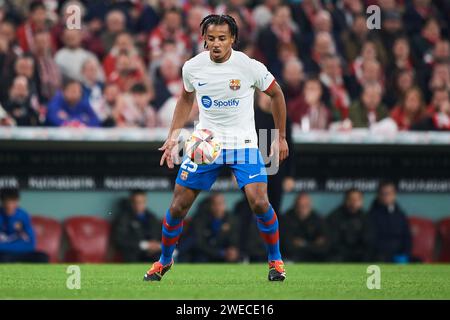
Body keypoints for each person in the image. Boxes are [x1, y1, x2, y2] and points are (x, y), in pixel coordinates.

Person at [144, 14, 289, 282]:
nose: (216, 44)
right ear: (204, 39)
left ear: (232, 38)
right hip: (206, 143)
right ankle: (164, 261)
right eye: (210, 39)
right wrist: (173, 134)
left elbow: (276, 94)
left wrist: (279, 137)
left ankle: (275, 260)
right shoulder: (192, 67)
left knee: (259, 202)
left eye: (222, 38)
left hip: (243, 143)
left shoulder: (248, 66)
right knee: (177, 207)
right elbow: (186, 99)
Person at [368, 181, 412, 263]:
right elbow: (371, 240)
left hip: (399, 256)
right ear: (378, 195)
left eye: (389, 193)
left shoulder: (400, 214)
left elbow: (407, 237)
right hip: (379, 257)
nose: (386, 196)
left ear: (394, 195)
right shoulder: (371, 215)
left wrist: (406, 254)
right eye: (383, 193)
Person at [0, 188, 48, 263]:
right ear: (2, 202)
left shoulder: (23, 216)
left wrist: (6, 246)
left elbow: (31, 245)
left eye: (13, 202)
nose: (10, 206)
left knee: (42, 257)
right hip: (4, 254)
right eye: (7, 202)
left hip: (21, 252)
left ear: (17, 202)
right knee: (4, 259)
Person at [112, 190, 161, 262]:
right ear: (131, 203)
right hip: (133, 253)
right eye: (136, 202)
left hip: (152, 253)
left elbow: (158, 235)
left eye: (142, 202)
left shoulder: (151, 217)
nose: (139, 205)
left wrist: (155, 245)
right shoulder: (123, 218)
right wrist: (144, 245)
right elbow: (120, 240)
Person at [188, 193, 240, 263]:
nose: (218, 207)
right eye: (215, 204)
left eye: (221, 204)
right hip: (205, 255)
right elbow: (199, 244)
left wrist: (232, 251)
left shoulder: (232, 220)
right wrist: (220, 253)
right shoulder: (200, 220)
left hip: (226, 256)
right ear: (210, 206)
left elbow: (235, 240)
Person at [326, 188, 372, 262]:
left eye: (357, 199)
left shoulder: (366, 217)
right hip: (340, 254)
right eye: (351, 199)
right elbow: (333, 241)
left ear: (361, 201)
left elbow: (369, 240)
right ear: (346, 200)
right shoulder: (335, 216)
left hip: (360, 254)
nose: (354, 202)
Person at [281, 193, 328, 262]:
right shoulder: (285, 219)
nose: (302, 208)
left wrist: (304, 244)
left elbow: (324, 245)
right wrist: (313, 244)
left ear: (310, 205)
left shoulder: (318, 219)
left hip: (314, 258)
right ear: (295, 205)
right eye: (299, 205)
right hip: (291, 259)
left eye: (306, 205)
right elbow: (286, 245)